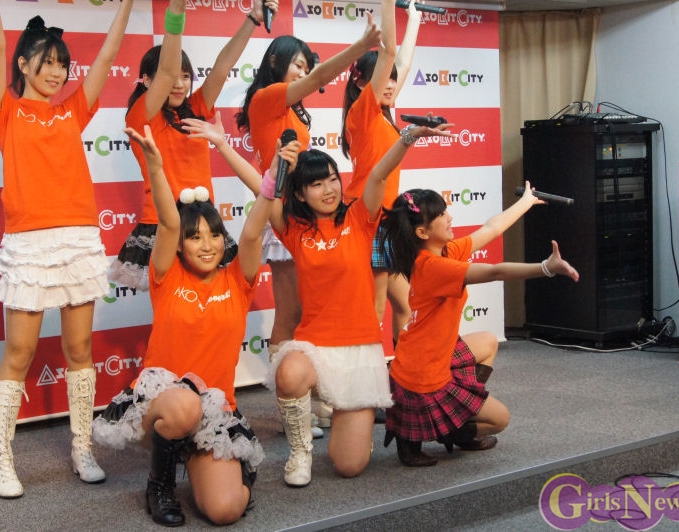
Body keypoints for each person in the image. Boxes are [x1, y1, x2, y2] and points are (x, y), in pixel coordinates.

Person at [93, 121, 300, 527]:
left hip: (215, 412)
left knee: (226, 510)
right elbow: (169, 223)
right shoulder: (166, 275)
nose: (207, 245)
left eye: (214, 235)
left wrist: (274, 178)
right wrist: (156, 168)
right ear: (180, 245)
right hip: (166, 404)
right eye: (195, 237)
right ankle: (160, 486)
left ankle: (221, 466)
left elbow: (253, 232)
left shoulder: (237, 279)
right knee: (185, 404)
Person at [0, 0, 133, 498]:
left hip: (78, 239)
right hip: (29, 243)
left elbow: (108, 55)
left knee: (80, 349)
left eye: (62, 64)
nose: (56, 72)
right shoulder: (5, 110)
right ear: (23, 65)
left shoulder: (72, 109)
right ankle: (1, 459)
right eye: (46, 62)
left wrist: (128, 5)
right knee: (20, 351)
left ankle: (82, 448)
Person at [263, 122, 455, 487]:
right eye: (317, 184)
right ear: (300, 194)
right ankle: (300, 451)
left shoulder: (359, 216)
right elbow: (265, 197)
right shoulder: (294, 230)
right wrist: (275, 167)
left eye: (332, 179)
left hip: (360, 352)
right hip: (315, 347)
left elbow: (380, 173)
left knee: (349, 465)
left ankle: (352, 425)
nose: (329, 189)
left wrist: (409, 137)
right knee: (289, 371)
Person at [235, 16, 382, 431]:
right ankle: (292, 410)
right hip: (282, 212)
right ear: (275, 62)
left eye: (305, 66)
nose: (303, 72)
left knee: (308, 309)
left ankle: (316, 398)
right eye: (296, 64)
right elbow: (320, 78)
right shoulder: (267, 98)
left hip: (300, 211)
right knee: (290, 311)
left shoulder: (288, 108)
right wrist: (362, 46)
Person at [379, 184, 580, 466]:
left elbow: (491, 228)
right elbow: (495, 271)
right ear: (422, 232)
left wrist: (526, 202)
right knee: (500, 420)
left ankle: (455, 417)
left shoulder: (445, 251)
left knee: (487, 341)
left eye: (445, 211)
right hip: (422, 373)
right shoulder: (433, 267)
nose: (449, 218)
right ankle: (440, 430)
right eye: (441, 215)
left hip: (431, 354)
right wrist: (546, 267)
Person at [109, 0, 279, 290]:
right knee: (173, 304)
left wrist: (253, 18)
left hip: (203, 222)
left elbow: (223, 68)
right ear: (146, 80)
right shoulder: (143, 114)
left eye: (185, 76)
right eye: (172, 77)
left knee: (206, 300)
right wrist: (177, 10)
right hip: (165, 225)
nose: (179, 84)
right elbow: (166, 71)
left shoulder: (196, 108)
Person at [341, 0, 423, 345]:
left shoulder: (385, 111)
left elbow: (400, 63)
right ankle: (364, 374)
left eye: (393, 81)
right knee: (373, 309)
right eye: (383, 79)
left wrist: (414, 19)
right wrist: (389, 7)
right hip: (366, 218)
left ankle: (403, 371)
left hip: (388, 219)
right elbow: (390, 55)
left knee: (405, 305)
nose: (391, 85)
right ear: (360, 81)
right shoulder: (363, 113)